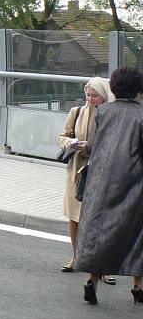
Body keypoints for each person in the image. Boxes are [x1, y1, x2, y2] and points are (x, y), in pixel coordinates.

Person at [74, 66, 143, 305]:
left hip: (100, 180)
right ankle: (138, 286)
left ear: (113, 86)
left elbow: (92, 145)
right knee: (137, 233)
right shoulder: (142, 114)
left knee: (97, 231)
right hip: (134, 182)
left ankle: (93, 279)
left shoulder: (103, 111)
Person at [57, 77, 114, 278]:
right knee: (75, 218)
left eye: (94, 95)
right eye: (87, 95)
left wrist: (90, 146)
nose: (90, 99)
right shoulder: (76, 112)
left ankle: (105, 267)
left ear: (105, 96)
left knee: (102, 220)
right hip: (77, 172)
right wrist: (69, 143)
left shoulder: (112, 115)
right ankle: (76, 257)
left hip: (102, 172)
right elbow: (62, 136)